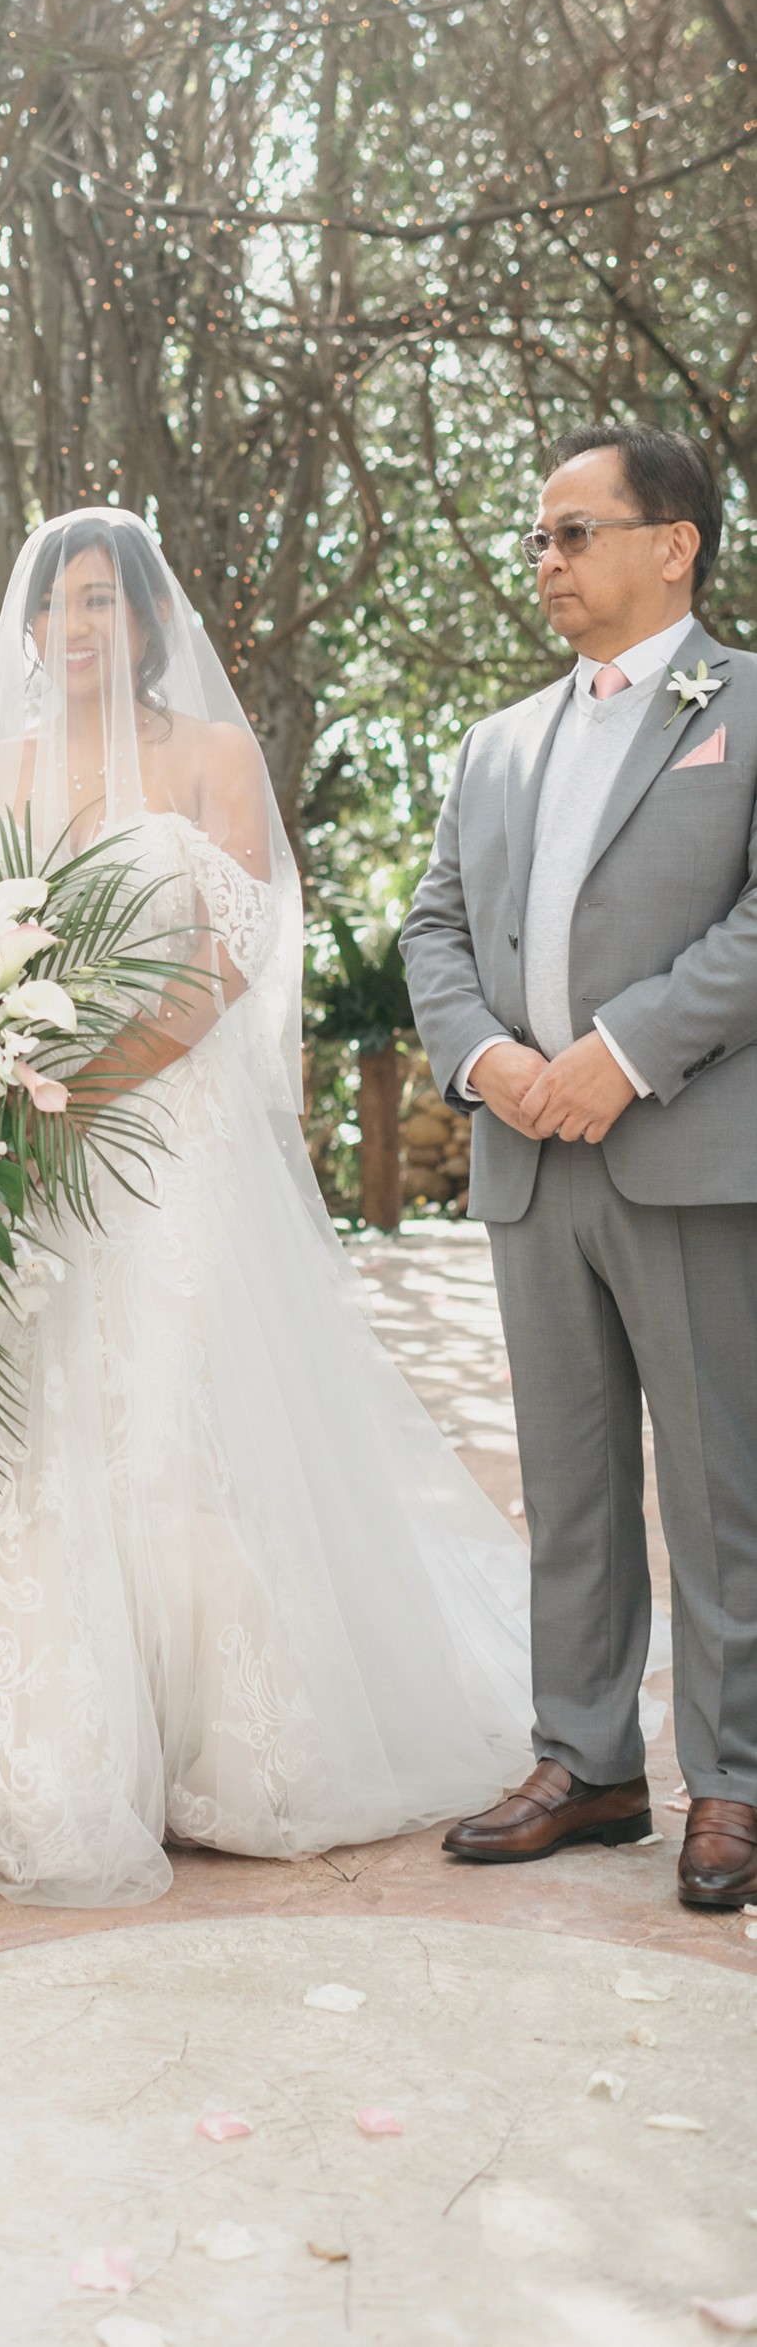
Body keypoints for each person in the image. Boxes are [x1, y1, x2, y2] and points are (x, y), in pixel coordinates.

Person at [0, 509, 532, 1908]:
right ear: (24, 628)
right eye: (56, 606)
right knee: (33, 1425)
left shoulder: (210, 756)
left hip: (165, 1137)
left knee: (167, 1409)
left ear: (147, 621)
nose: (77, 628)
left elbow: (230, 958)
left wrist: (82, 1080)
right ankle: (41, 1751)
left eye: (104, 604)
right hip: (16, 1147)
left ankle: (221, 1740)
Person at [404, 427, 757, 1910]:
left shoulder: (740, 702)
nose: (542, 559)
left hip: (679, 1143)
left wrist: (617, 1050)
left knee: (720, 1481)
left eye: (570, 531)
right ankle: (586, 1758)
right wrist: (490, 1062)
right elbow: (431, 928)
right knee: (566, 1481)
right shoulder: (495, 741)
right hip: (526, 1157)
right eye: (536, 536)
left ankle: (731, 1780)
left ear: (669, 542)